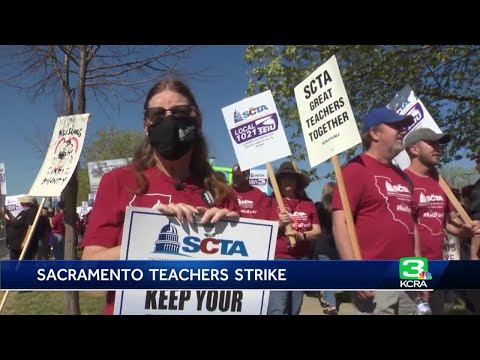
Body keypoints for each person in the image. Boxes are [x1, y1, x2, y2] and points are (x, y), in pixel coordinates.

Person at [81, 78, 240, 315]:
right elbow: (89, 280)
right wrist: (147, 240)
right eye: (157, 114)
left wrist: (236, 239)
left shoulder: (221, 192)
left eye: (180, 111)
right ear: (146, 126)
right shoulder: (118, 181)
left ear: (196, 121)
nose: (169, 119)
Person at [332, 107, 420, 315]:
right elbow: (340, 223)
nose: (403, 130)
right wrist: (355, 272)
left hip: (408, 275)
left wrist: (419, 273)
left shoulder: (403, 176)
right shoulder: (355, 169)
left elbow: (411, 225)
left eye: (404, 126)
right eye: (396, 126)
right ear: (374, 133)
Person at [403, 128, 480, 314]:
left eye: (439, 143)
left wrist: (467, 230)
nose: (438, 148)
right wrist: (416, 275)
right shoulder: (402, 181)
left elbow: (448, 221)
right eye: (432, 143)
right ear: (414, 149)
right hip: (411, 266)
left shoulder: (440, 182)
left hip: (437, 266)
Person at [266, 161, 321, 315]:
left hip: (302, 260)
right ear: (279, 181)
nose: (288, 180)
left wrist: (301, 235)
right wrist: (280, 224)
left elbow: (317, 231)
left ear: (298, 182)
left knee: (294, 307)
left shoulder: (308, 203)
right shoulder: (269, 202)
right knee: (277, 307)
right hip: (278, 258)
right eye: (284, 177)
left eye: (292, 177)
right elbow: (264, 232)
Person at [313, 182, 340, 315]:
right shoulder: (319, 208)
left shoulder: (339, 208)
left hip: (333, 247)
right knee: (329, 277)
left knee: (330, 277)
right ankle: (331, 304)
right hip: (326, 248)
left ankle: (329, 300)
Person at [4, 195, 40, 260]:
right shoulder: (24, 211)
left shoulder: (32, 211)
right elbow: (15, 221)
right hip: (15, 245)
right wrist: (7, 212)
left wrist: (25, 242)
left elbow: (30, 227)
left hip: (22, 245)